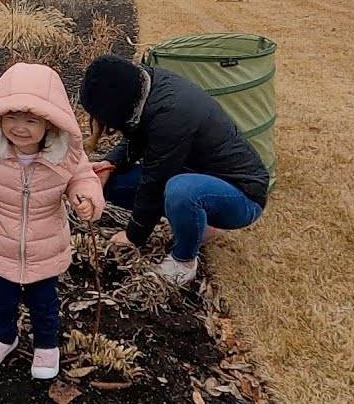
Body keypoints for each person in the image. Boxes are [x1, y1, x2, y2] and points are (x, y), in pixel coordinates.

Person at [0, 62, 105, 380]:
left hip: (45, 247)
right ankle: (4, 337)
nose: (19, 127)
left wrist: (86, 199)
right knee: (0, 299)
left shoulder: (65, 155)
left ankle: (47, 346)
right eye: (11, 118)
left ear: (50, 123)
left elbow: (82, 179)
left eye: (31, 120)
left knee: (44, 303)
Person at [79, 54, 269, 286]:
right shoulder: (143, 87)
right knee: (113, 182)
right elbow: (136, 136)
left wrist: (132, 236)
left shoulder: (172, 113)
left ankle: (184, 261)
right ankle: (200, 224)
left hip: (241, 196)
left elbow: (155, 181)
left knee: (181, 191)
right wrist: (110, 164)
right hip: (197, 177)